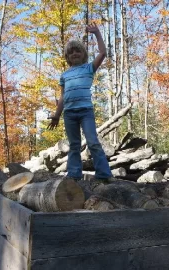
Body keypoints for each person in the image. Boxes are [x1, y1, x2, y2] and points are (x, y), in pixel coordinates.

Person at [48, 23, 113, 182]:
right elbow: (63, 96)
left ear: (83, 54)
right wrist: (57, 115)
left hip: (85, 112)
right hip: (69, 114)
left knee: (93, 142)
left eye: (78, 50)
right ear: (67, 57)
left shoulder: (88, 68)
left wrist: (97, 33)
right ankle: (74, 175)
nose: (75, 53)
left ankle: (104, 175)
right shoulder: (64, 75)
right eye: (71, 52)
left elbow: (103, 53)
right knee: (74, 145)